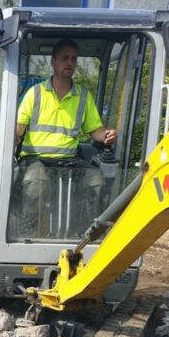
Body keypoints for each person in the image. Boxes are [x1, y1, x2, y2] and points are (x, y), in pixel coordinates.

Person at [15, 38, 116, 237]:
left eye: (73, 59)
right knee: (37, 184)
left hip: (69, 160)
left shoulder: (83, 96)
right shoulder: (35, 94)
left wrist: (107, 136)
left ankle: (85, 235)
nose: (70, 62)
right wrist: (15, 136)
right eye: (65, 58)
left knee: (96, 181)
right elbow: (19, 127)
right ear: (53, 61)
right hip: (36, 159)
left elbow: (94, 129)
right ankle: (32, 235)